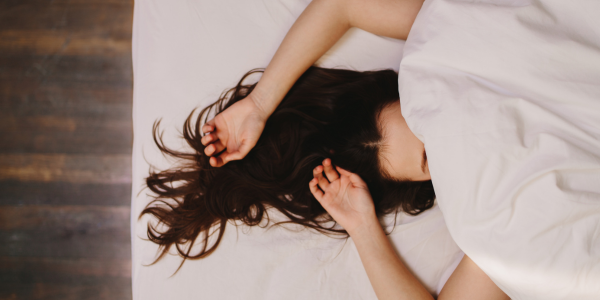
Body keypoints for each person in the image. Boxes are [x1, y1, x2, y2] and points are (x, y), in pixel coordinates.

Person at [146, 0, 511, 299]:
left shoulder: (466, 43)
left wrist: (259, 104)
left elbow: (343, 5)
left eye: (423, 119)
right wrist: (363, 228)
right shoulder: (502, 210)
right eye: (429, 157)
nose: (448, 134)